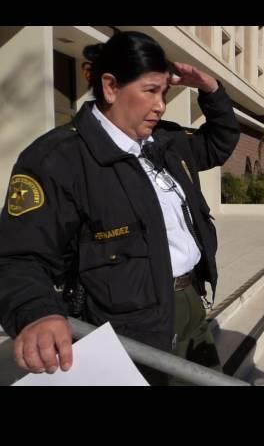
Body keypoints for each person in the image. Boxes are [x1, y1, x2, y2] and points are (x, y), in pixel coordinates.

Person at [0, 30, 240, 385]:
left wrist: (211, 89)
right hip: (128, 334)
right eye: (150, 91)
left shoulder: (166, 142)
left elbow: (219, 142)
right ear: (110, 87)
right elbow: (18, 256)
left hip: (190, 305)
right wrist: (37, 314)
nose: (160, 104)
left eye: (164, 92)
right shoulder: (58, 159)